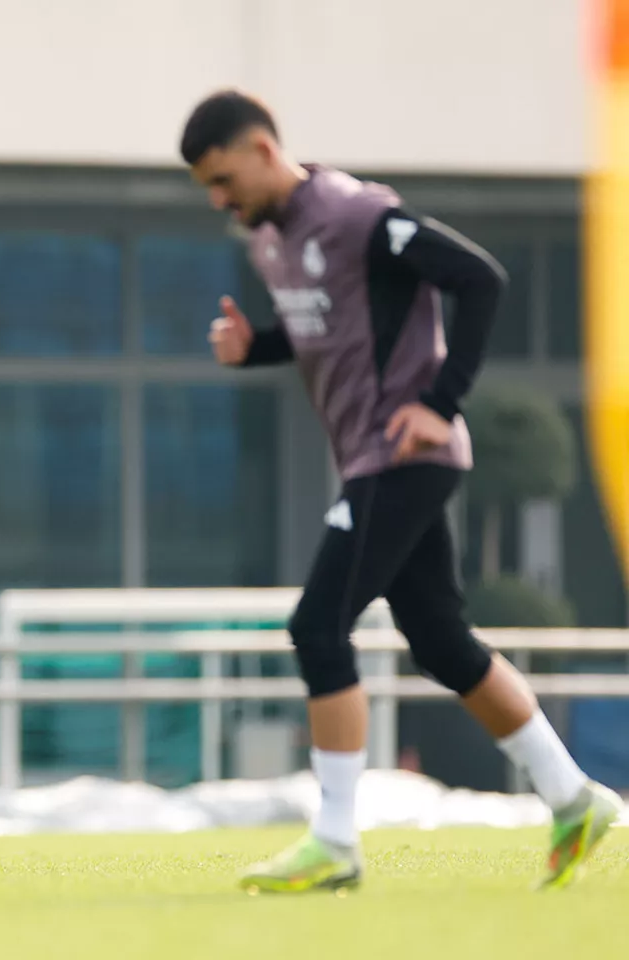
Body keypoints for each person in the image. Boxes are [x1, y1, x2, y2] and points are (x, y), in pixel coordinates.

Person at [178, 89, 623, 894]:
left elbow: (480, 279)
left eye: (222, 179)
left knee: (318, 625)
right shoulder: (273, 239)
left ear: (262, 150)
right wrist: (256, 347)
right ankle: (574, 798)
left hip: (406, 455)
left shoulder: (358, 214)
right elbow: (333, 331)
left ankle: (335, 840)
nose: (218, 199)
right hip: (371, 461)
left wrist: (441, 403)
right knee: (442, 643)